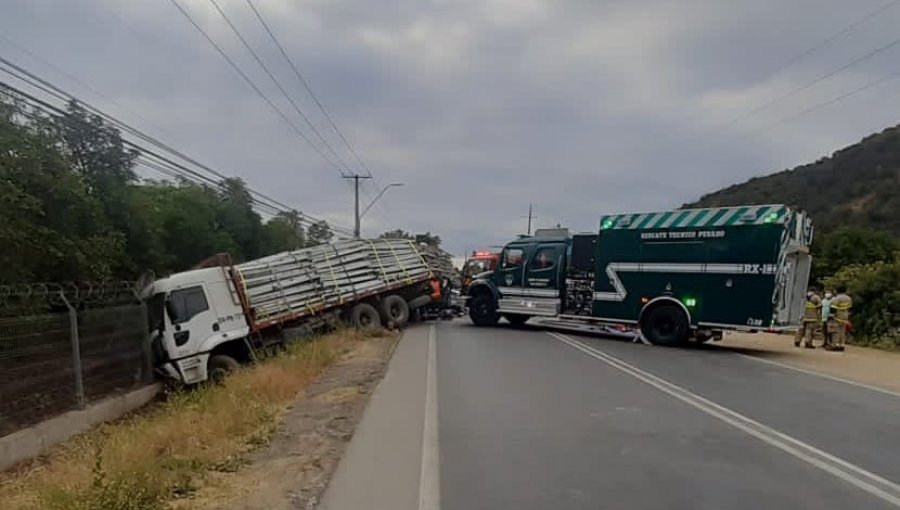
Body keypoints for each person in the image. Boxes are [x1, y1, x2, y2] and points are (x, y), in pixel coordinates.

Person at [827, 285, 852, 352]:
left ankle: (835, 345)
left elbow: (833, 308)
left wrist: (830, 316)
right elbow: (849, 308)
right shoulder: (849, 298)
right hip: (845, 317)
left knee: (836, 331)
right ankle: (842, 345)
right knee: (842, 331)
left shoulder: (837, 298)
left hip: (837, 317)